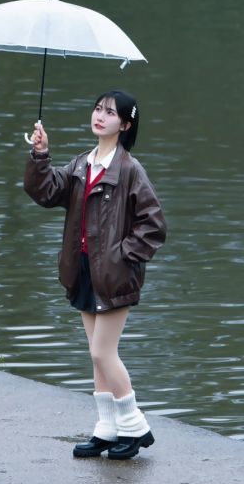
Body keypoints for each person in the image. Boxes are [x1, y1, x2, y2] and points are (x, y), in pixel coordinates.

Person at [24, 91, 166, 460]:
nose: (100, 117)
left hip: (114, 276)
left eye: (111, 113)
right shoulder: (81, 164)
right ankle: (106, 428)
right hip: (83, 269)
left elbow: (153, 226)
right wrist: (40, 154)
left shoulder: (130, 169)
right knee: (97, 355)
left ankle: (134, 426)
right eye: (98, 110)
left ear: (126, 124)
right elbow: (45, 191)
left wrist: (122, 257)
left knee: (102, 351)